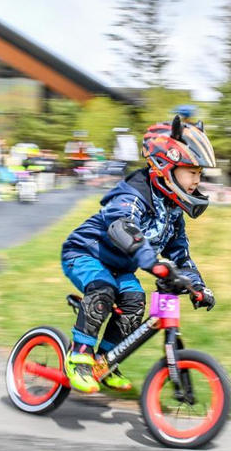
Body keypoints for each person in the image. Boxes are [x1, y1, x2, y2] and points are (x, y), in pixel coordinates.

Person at [60, 115, 216, 393]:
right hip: (86, 253)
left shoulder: (172, 211)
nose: (197, 180)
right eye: (192, 172)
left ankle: (104, 362)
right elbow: (122, 227)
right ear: (165, 165)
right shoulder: (133, 194)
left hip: (120, 266)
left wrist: (197, 286)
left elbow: (180, 254)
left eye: (199, 173)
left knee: (134, 301)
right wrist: (152, 263)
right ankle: (78, 356)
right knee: (103, 289)